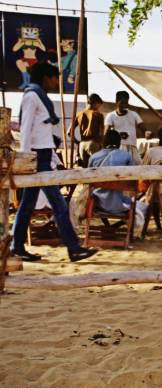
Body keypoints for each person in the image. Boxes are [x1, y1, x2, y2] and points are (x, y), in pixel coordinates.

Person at [11, 62, 97, 262]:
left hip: (42, 155)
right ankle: (74, 247)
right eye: (54, 78)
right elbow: (25, 129)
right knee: (58, 204)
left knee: (27, 205)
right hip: (36, 158)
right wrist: (25, 159)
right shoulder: (32, 96)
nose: (57, 82)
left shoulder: (39, 97)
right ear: (45, 78)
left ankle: (17, 246)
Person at [89, 129, 139, 216]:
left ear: (104, 141)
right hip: (121, 204)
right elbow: (133, 178)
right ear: (119, 142)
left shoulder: (94, 157)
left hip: (97, 204)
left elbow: (88, 180)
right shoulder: (126, 156)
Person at [104, 91, 146, 164]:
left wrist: (147, 133)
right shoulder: (111, 116)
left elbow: (143, 128)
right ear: (116, 102)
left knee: (138, 166)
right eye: (122, 103)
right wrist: (118, 135)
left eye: (126, 103)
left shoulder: (134, 114)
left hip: (132, 147)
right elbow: (106, 132)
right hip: (118, 148)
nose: (124, 105)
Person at [74, 93, 104, 167]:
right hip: (93, 144)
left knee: (85, 171)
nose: (99, 108)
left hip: (82, 144)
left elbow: (69, 132)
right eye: (99, 105)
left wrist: (78, 143)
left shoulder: (79, 114)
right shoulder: (98, 114)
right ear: (95, 103)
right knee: (96, 168)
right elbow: (101, 134)